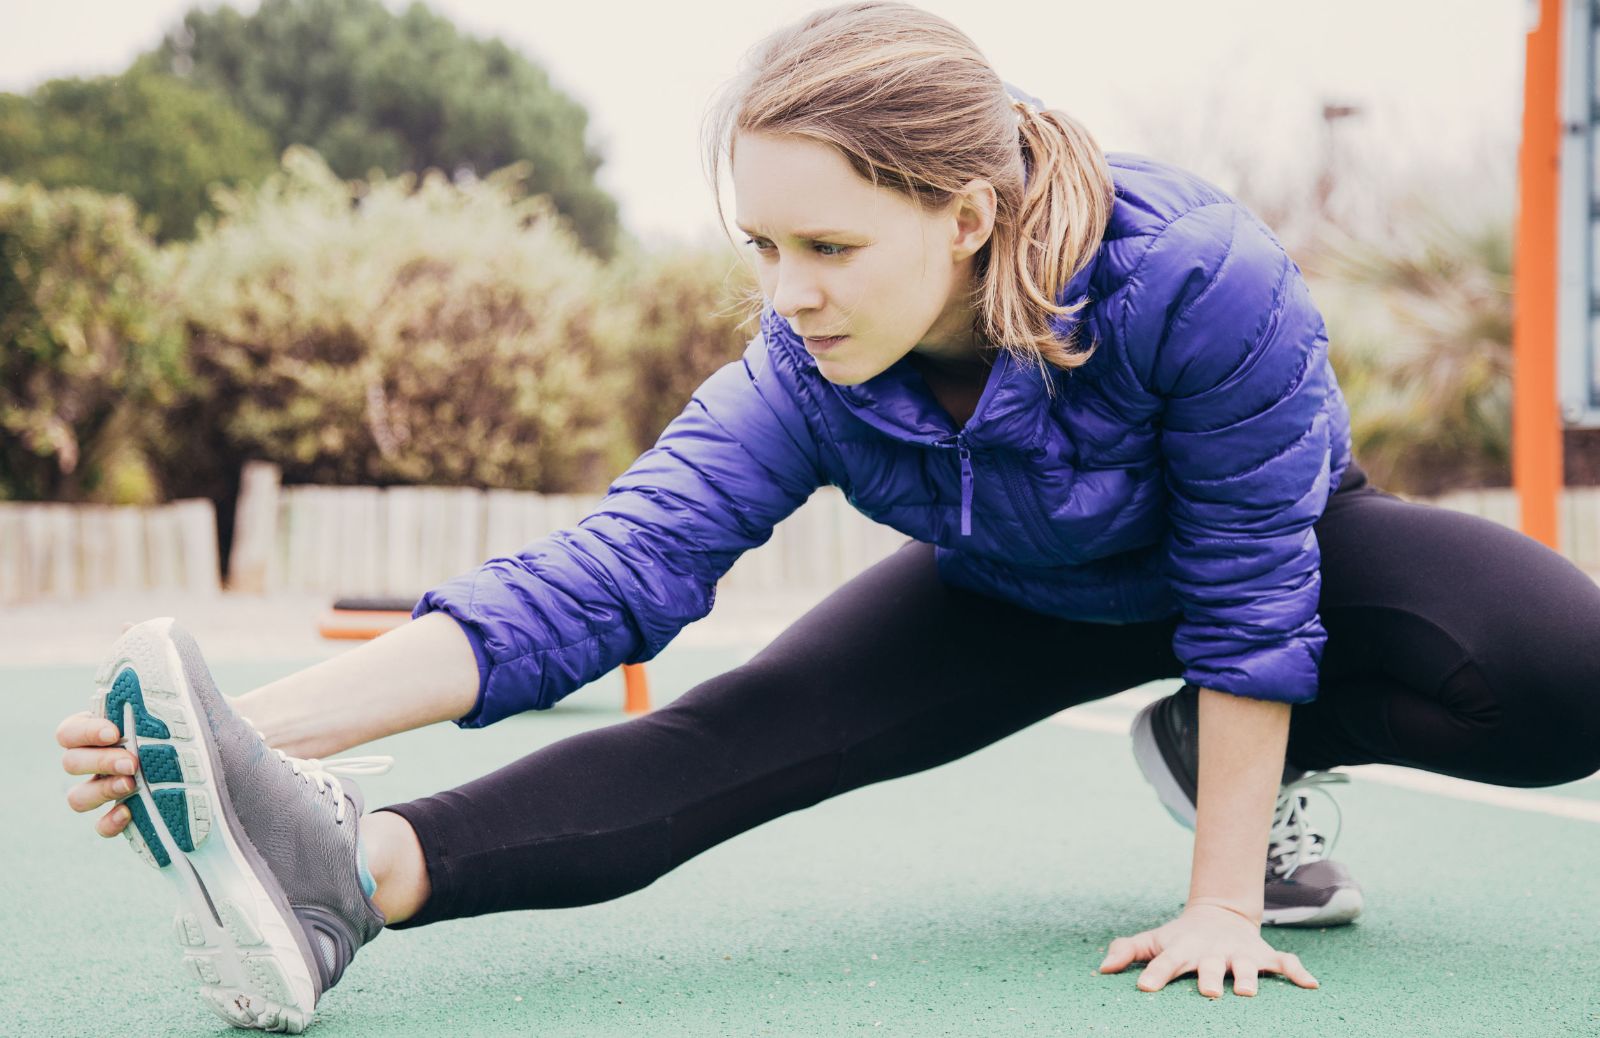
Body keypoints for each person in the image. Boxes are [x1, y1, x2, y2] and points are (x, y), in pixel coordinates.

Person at [58, 0, 1600, 1029]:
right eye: (763, 244)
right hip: (1017, 586)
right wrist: (237, 742)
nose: (789, 291)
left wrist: (1219, 889)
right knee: (728, 736)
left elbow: (1259, 589)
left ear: (967, 214)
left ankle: (1217, 756)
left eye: (831, 244)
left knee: (1564, 666)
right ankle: (355, 878)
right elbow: (599, 583)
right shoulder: (798, 368)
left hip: (1271, 541)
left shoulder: (1200, 277)